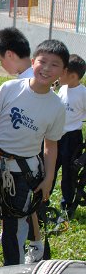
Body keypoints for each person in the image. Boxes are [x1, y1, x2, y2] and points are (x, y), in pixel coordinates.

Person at [0, 39, 68, 266]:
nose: (47, 68)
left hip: (22, 172)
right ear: (32, 62)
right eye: (43, 62)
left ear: (63, 71)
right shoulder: (10, 89)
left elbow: (51, 145)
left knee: (15, 226)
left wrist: (49, 178)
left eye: (55, 64)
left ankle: (14, 273)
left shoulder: (56, 106)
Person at [54, 54, 86, 220]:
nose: (59, 74)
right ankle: (42, 201)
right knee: (50, 169)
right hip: (56, 136)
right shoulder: (62, 88)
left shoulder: (83, 93)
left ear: (73, 76)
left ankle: (67, 206)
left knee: (69, 173)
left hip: (72, 139)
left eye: (63, 71)